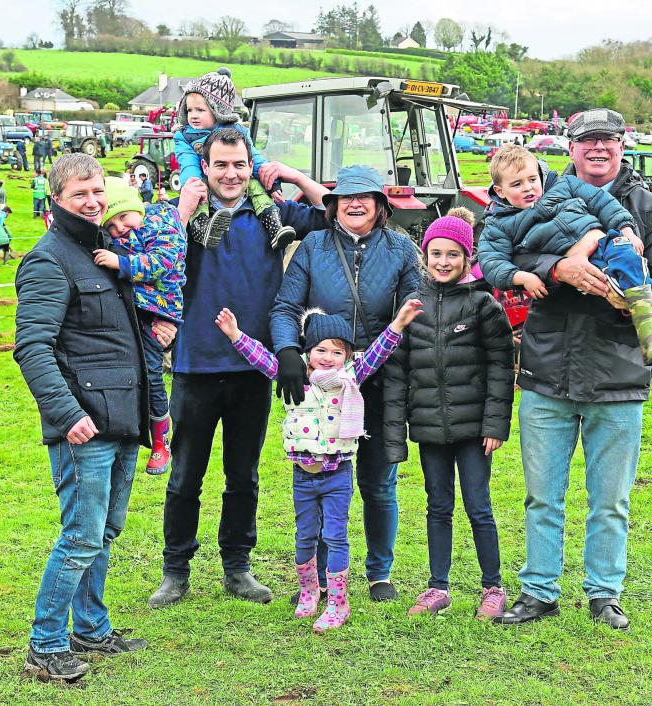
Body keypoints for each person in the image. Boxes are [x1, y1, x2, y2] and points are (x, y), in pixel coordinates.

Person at [485, 109, 652, 631]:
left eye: (607, 140)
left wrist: (636, 302)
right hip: (547, 370)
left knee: (611, 501)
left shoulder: (650, 209)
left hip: (620, 374)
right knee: (541, 496)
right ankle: (539, 592)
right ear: (570, 147)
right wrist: (556, 269)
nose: (598, 149)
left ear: (621, 145)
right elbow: (509, 259)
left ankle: (604, 593)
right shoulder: (535, 198)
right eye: (586, 141)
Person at [147, 127, 330, 609]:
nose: (231, 174)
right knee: (186, 475)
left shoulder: (271, 212)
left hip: (253, 366)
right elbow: (149, 249)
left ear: (252, 167)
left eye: (240, 165)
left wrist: (290, 174)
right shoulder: (185, 215)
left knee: (243, 474)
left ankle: (237, 565)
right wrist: (183, 209)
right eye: (221, 165)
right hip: (194, 363)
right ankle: (175, 568)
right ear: (204, 167)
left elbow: (332, 212)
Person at [13, 153, 173, 682]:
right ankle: (46, 642)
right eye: (80, 194)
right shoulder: (48, 259)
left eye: (97, 191)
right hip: (84, 423)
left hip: (121, 416)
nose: (92, 201)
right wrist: (66, 413)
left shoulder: (106, 250)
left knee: (104, 531)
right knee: (81, 533)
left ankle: (90, 626)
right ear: (57, 199)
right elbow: (33, 348)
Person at [217, 300, 422, 630]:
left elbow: (378, 353)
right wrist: (235, 334)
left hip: (337, 474)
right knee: (305, 536)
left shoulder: (350, 379)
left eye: (337, 352)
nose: (328, 357)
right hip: (303, 476)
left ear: (348, 357)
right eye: (321, 350)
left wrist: (398, 324)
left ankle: (339, 603)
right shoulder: (294, 379)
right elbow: (264, 359)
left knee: (336, 536)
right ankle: (310, 591)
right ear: (308, 351)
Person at [271, 165, 422, 603]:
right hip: (321, 388)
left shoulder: (400, 249)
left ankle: (379, 573)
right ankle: (318, 573)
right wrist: (286, 351)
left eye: (366, 197)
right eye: (346, 197)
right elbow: (286, 306)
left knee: (379, 481)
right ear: (333, 204)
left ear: (380, 205)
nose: (356, 204)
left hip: (378, 379)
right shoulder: (313, 246)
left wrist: (394, 355)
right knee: (319, 478)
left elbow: (416, 305)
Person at [479, 144, 652, 364]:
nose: (528, 188)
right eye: (517, 184)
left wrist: (627, 229)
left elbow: (602, 202)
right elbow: (491, 261)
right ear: (500, 191)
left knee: (633, 270)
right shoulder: (499, 223)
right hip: (583, 268)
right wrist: (522, 277)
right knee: (637, 286)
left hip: (607, 244)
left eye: (533, 180)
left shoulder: (563, 185)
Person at [383, 208, 515, 620]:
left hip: (475, 430)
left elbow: (500, 367)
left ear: (467, 258)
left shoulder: (483, 306)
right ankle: (437, 586)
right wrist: (394, 434)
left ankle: (492, 585)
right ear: (425, 255)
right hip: (428, 428)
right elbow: (396, 372)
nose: (443, 262)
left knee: (478, 506)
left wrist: (495, 424)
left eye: (453, 255)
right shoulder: (412, 307)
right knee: (437, 506)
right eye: (436, 253)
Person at [94, 177, 187, 475]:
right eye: (110, 225)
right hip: (140, 308)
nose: (119, 228)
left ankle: (161, 439)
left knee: (151, 372)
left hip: (158, 308)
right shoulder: (124, 237)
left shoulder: (160, 224)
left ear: (135, 206)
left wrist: (120, 264)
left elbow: (163, 262)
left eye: (122, 218)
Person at [173, 67, 296, 250]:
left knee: (256, 187)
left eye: (200, 110)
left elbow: (253, 157)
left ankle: (274, 226)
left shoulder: (237, 131)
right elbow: (187, 161)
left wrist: (272, 182)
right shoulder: (185, 136)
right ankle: (201, 227)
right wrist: (192, 183)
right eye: (189, 110)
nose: (193, 115)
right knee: (199, 194)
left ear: (218, 110)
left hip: (230, 183)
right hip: (204, 179)